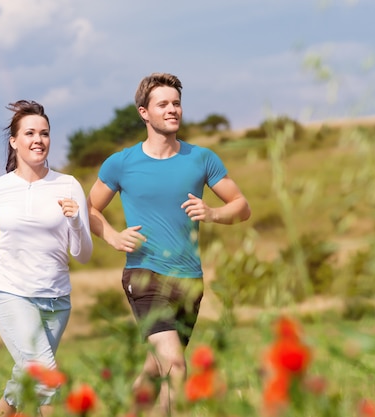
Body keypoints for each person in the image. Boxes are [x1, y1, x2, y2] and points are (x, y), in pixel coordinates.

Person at [86, 72, 251, 415]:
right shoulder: (121, 163)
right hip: (144, 275)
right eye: (163, 104)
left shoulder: (201, 158)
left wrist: (212, 212)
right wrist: (114, 236)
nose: (172, 109)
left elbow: (242, 206)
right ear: (144, 112)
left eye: (176, 103)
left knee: (154, 369)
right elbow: (89, 209)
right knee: (175, 366)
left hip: (190, 280)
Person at [0, 100, 93, 417]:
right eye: (29, 133)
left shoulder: (69, 185)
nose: (38, 140)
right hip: (10, 293)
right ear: (14, 141)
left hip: (57, 300)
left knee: (24, 381)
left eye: (44, 133)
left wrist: (74, 222)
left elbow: (83, 255)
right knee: (46, 378)